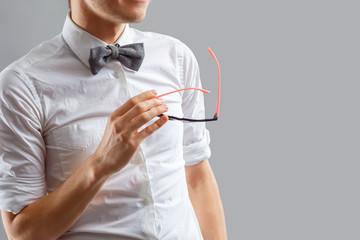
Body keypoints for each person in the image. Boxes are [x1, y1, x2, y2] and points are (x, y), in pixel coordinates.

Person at [0, 0, 227, 239]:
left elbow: (197, 175)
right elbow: (23, 232)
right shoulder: (21, 86)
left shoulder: (177, 57)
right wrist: (101, 164)